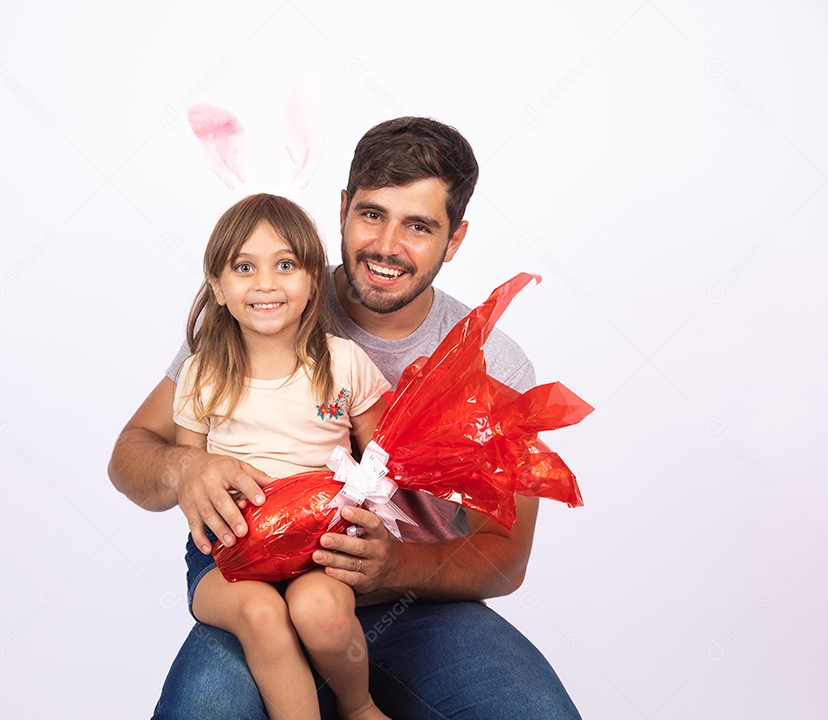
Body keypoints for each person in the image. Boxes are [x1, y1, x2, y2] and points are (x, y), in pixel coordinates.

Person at [109, 116, 582, 719]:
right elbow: (131, 453)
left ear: (455, 240)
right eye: (372, 214)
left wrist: (392, 567)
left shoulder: (492, 364)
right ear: (341, 209)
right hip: (263, 593)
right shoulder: (260, 311)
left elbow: (504, 556)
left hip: (418, 609)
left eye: (418, 226)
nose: (386, 245)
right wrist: (181, 467)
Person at [174, 192, 392, 720]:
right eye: (244, 267)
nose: (266, 283)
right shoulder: (201, 373)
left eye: (286, 264)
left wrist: (367, 509)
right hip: (227, 554)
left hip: (321, 546)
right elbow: (189, 477)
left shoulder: (344, 362)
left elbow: (385, 453)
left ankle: (358, 706)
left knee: (320, 611)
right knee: (262, 613)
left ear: (314, 279)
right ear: (218, 288)